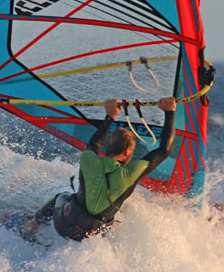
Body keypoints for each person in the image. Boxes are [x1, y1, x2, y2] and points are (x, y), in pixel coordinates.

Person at [29, 97, 176, 240]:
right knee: (109, 222)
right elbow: (164, 150)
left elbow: (94, 144)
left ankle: (32, 224)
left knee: (62, 196)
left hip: (64, 224)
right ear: (127, 152)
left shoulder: (87, 159)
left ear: (108, 146)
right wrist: (170, 112)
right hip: (93, 235)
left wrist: (110, 116)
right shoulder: (130, 174)